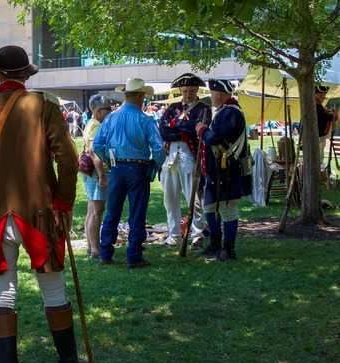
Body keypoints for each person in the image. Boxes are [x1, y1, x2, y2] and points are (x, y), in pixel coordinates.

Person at [0, 45, 88, 363]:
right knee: (53, 286)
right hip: (40, 213)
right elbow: (68, 158)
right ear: (27, 75)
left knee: (1, 290)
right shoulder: (44, 106)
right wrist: (63, 203)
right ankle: (67, 362)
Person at [93, 78, 165, 269]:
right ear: (141, 96)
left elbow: (97, 145)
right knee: (137, 214)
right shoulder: (145, 119)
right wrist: (155, 166)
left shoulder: (110, 118)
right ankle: (134, 256)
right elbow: (159, 149)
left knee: (112, 212)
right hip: (138, 169)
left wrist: (109, 160)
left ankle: (105, 252)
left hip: (117, 168)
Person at [195, 79, 252, 261]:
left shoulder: (230, 113)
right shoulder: (224, 111)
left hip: (227, 170)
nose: (211, 96)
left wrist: (202, 130)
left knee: (227, 210)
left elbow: (213, 138)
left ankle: (228, 250)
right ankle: (215, 245)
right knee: (210, 207)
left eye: (212, 93)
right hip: (216, 171)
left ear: (218, 94)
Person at [159, 73, 212, 250]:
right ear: (180, 91)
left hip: (191, 159)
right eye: (185, 91)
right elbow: (163, 131)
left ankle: (197, 235)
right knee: (170, 199)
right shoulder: (172, 108)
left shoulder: (203, 108)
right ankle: (174, 234)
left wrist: (177, 125)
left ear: (197, 90)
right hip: (171, 160)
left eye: (191, 91)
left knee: (195, 200)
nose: (188, 94)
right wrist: (184, 130)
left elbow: (199, 125)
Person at [81, 94, 112, 259]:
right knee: (97, 211)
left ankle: (90, 247)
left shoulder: (92, 123)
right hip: (96, 172)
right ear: (99, 111)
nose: (111, 111)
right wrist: (102, 175)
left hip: (91, 173)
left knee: (92, 210)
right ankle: (95, 249)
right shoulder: (96, 126)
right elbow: (93, 152)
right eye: (108, 108)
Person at [315, 85, 335, 166]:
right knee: (317, 159)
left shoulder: (318, 105)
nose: (323, 97)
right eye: (320, 94)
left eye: (324, 94)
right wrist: (332, 115)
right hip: (317, 137)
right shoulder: (316, 105)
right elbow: (322, 117)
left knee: (319, 158)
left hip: (319, 136)